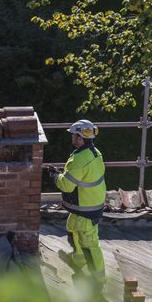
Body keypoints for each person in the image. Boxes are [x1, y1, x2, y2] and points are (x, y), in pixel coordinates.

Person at [48, 119, 106, 287]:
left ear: (80, 137)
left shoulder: (79, 159)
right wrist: (61, 174)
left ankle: (98, 279)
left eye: (73, 135)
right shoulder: (96, 153)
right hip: (91, 203)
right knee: (72, 228)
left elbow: (66, 185)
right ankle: (78, 260)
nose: (72, 138)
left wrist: (54, 176)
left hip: (87, 208)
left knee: (90, 245)